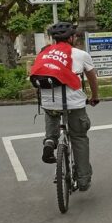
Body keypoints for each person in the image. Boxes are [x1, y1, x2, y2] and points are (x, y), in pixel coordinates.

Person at [33, 22, 100, 191]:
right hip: (74, 104)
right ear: (71, 37)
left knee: (52, 114)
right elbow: (92, 78)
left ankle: (50, 140)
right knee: (79, 137)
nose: (76, 38)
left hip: (49, 102)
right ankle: (83, 179)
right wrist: (95, 96)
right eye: (75, 35)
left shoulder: (44, 53)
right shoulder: (81, 54)